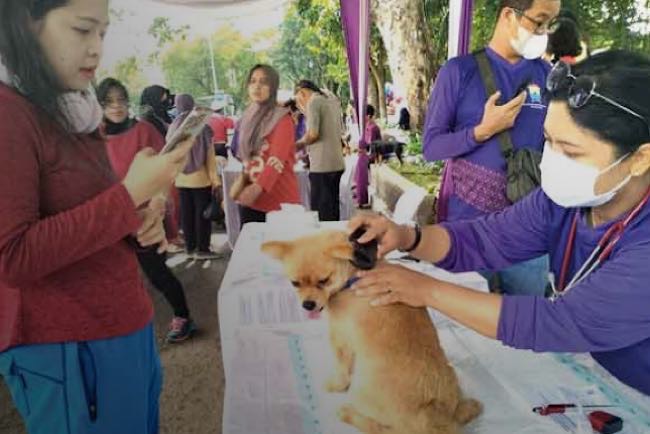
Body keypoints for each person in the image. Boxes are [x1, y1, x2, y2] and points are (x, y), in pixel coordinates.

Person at [350, 50, 650, 397]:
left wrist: (424, 289)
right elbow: (485, 238)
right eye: (548, 141)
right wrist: (407, 237)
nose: (552, 160)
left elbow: (556, 322)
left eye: (571, 151)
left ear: (640, 158)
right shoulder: (564, 202)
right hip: (607, 380)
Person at [0, 1, 196, 432]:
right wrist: (130, 197)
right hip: (67, 342)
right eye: (82, 30)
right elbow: (11, 255)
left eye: (103, 33)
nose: (96, 49)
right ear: (26, 25)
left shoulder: (71, 107)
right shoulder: (9, 110)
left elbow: (92, 214)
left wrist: (140, 218)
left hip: (125, 323)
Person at [423, 0, 561, 296]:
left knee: (525, 328)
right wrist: (481, 131)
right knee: (466, 332)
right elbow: (432, 147)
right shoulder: (459, 72)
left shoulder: (547, 75)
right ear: (509, 15)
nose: (544, 31)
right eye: (539, 21)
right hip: (467, 232)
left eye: (550, 23)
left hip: (527, 232)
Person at [97, 78, 196, 342]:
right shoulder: (94, 138)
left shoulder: (144, 131)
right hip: (112, 217)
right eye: (109, 102)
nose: (116, 107)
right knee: (115, 276)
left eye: (121, 100)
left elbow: (165, 171)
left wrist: (158, 204)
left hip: (147, 216)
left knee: (157, 273)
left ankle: (183, 316)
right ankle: (126, 325)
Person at [234, 64, 300, 226]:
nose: (257, 86)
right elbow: (244, 157)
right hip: (251, 201)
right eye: (253, 81)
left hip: (278, 203)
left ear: (273, 87)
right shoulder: (247, 118)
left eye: (264, 82)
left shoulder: (282, 119)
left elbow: (276, 160)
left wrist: (256, 188)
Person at [168, 94, 221, 260]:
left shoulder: (173, 127)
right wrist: (216, 181)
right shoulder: (201, 126)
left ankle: (190, 248)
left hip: (180, 179)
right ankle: (203, 249)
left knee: (187, 214)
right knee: (202, 215)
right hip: (200, 179)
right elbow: (210, 157)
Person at [295, 79, 346, 221]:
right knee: (333, 210)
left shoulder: (313, 102)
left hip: (322, 166)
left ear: (302, 93)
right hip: (336, 163)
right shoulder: (331, 99)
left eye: (300, 99)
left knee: (322, 214)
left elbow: (313, 134)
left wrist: (297, 145)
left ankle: (326, 241)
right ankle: (335, 239)